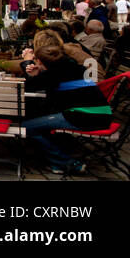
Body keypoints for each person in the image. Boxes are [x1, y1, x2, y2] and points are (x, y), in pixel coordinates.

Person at [21, 29, 112, 174]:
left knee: (27, 126)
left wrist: (28, 64)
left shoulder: (53, 74)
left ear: (40, 61)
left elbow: (29, 86)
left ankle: (65, 162)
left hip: (85, 116)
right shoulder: (70, 65)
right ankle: (56, 153)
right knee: (40, 120)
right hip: (101, 113)